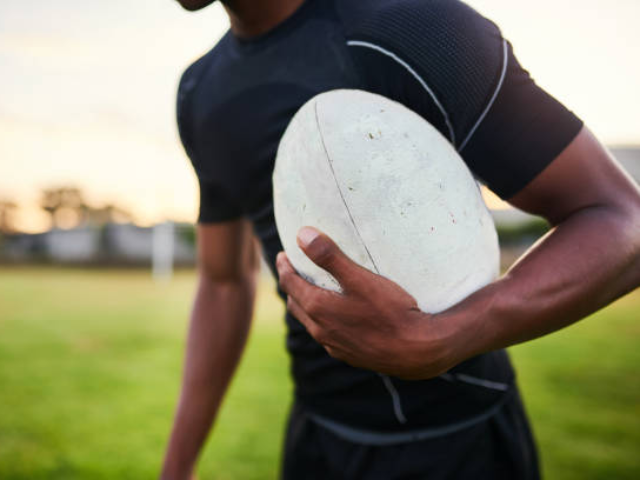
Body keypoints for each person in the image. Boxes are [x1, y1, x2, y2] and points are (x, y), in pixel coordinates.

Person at [160, 0, 640, 478]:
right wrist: (177, 463)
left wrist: (450, 334)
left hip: (458, 444)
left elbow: (622, 219)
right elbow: (223, 282)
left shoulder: (410, 28)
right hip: (314, 439)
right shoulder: (202, 92)